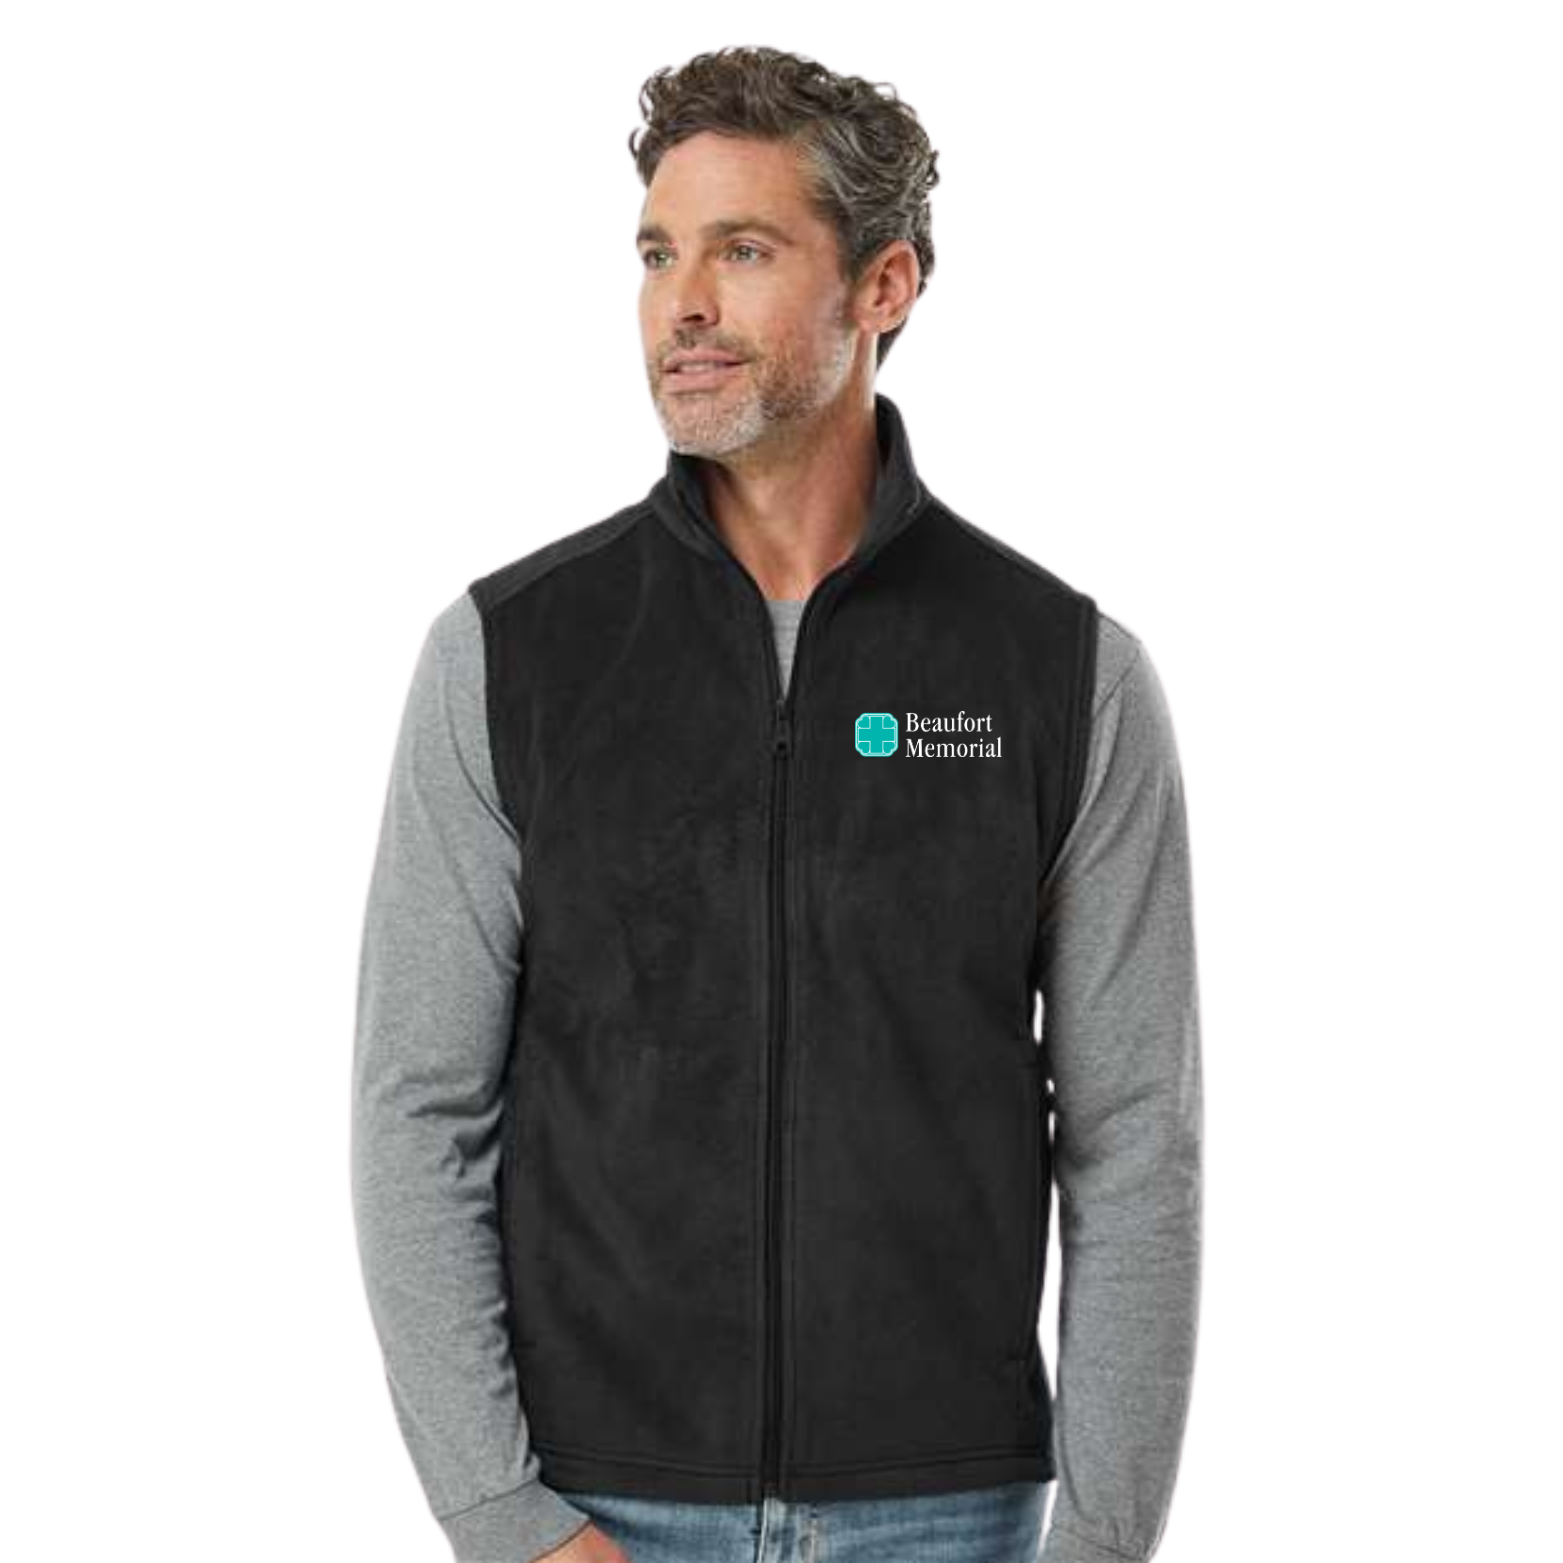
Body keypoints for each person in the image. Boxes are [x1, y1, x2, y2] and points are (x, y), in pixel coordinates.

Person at [351, 44, 1202, 1563]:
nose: (682, 303)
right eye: (657, 255)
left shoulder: (1063, 672)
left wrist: (1103, 1540)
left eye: (742, 251)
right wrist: (504, 1516)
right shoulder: (510, 655)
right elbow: (418, 1109)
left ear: (883, 286)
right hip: (599, 1505)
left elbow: (1136, 1134)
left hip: (947, 1509)